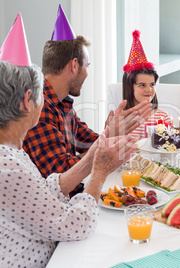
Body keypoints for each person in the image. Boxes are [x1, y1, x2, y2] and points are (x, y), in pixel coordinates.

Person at [0, 15, 139, 266]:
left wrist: (104, 144)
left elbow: (44, 190)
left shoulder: (13, 154)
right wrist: (97, 173)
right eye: (40, 94)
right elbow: (75, 226)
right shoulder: (9, 167)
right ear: (26, 100)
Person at [22, 7, 151, 182]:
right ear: (74, 66)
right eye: (87, 65)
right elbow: (63, 174)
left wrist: (110, 133)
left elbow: (88, 142)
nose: (87, 73)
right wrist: (107, 138)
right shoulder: (41, 108)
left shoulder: (62, 104)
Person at [122, 30, 172, 139]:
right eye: (142, 85)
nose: (149, 89)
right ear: (130, 87)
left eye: (152, 84)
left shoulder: (163, 117)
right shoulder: (122, 119)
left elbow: (169, 147)